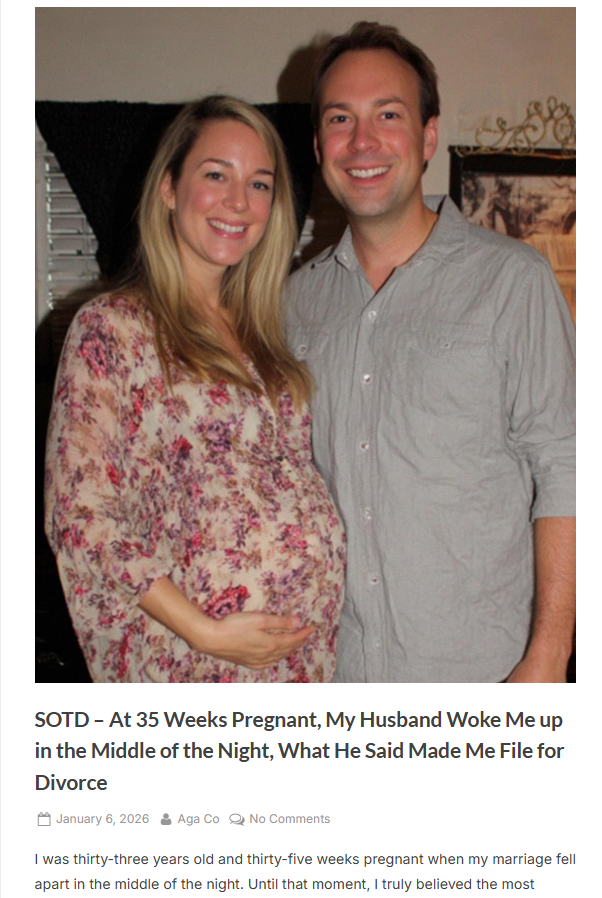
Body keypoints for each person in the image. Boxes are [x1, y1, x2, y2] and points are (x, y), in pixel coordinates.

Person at [285, 22, 575, 683]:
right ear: (319, 146)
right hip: (337, 678)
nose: (362, 141)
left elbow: (569, 467)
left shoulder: (512, 282)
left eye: (388, 114)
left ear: (427, 136)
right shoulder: (292, 305)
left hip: (488, 678)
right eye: (340, 119)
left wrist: (550, 655)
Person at [44, 96, 345, 683]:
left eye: (259, 184)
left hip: (302, 667)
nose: (239, 201)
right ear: (168, 188)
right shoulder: (113, 328)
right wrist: (204, 630)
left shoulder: (269, 335)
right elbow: (80, 516)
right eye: (215, 175)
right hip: (195, 662)